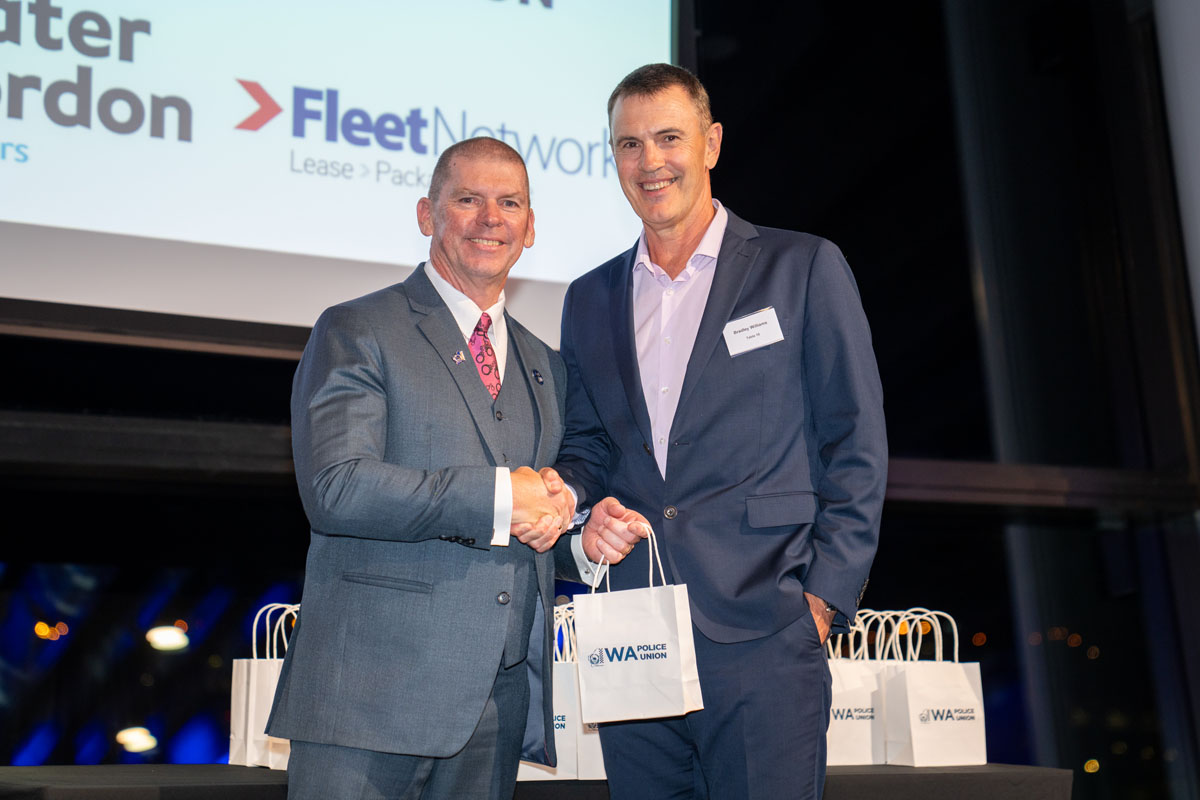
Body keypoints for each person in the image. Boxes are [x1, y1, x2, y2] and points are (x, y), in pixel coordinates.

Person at [267, 137, 642, 800]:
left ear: (530, 228)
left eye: (509, 204)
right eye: (468, 199)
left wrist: (577, 542)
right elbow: (337, 488)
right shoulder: (357, 329)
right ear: (426, 214)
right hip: (367, 703)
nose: (490, 218)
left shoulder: (546, 365)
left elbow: (523, 521)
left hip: (494, 710)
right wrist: (503, 496)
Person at [554, 64, 888, 799]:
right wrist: (569, 502)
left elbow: (855, 441)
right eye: (629, 144)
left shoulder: (801, 267)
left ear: (710, 143)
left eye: (669, 138)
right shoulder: (588, 298)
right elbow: (588, 447)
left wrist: (822, 599)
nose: (650, 161)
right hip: (635, 634)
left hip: (767, 628)